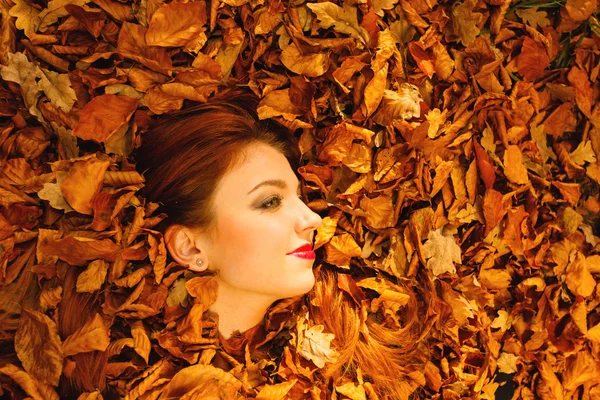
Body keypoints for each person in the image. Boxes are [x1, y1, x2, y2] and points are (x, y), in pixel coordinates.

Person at [59, 90, 432, 399]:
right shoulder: (114, 382)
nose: (313, 220)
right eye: (270, 202)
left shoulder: (355, 343)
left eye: (299, 198)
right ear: (190, 248)